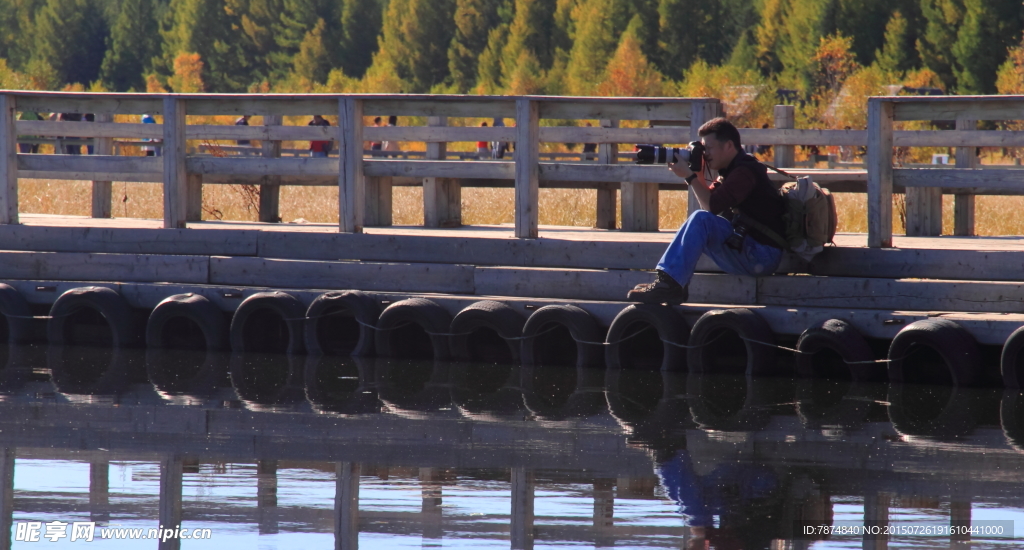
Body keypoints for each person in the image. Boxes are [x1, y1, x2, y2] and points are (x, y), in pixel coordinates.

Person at [627, 118, 786, 304]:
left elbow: (710, 208)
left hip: (761, 255)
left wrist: (690, 176)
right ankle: (673, 282)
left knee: (700, 219)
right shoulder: (733, 170)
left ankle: (670, 284)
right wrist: (697, 174)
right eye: (703, 149)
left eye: (708, 148)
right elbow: (709, 206)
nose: (705, 154)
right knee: (701, 219)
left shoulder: (744, 172)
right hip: (752, 250)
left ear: (728, 145)